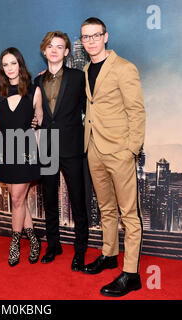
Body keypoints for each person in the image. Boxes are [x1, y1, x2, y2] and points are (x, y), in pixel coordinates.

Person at [80, 17, 146, 297]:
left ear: (106, 37)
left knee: (129, 214)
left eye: (96, 35)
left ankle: (131, 273)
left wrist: (131, 149)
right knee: (106, 208)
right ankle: (109, 255)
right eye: (86, 37)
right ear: (81, 41)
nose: (91, 40)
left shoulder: (124, 68)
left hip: (119, 149)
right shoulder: (85, 69)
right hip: (94, 148)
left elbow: (137, 111)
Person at [34, 31, 89, 271]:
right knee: (49, 198)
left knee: (78, 200)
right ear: (44, 50)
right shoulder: (36, 81)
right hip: (47, 146)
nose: (54, 50)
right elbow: (35, 113)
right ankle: (53, 245)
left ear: (67, 52)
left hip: (72, 146)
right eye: (50, 46)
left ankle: (80, 250)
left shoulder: (78, 77)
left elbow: (90, 109)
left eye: (60, 46)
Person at [0, 47, 43, 266]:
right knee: (18, 199)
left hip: (25, 151)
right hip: (4, 150)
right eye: (5, 64)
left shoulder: (34, 91)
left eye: (13, 63)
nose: (10, 68)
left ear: (20, 64)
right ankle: (33, 237)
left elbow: (39, 124)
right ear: (2, 68)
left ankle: (15, 243)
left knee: (16, 200)